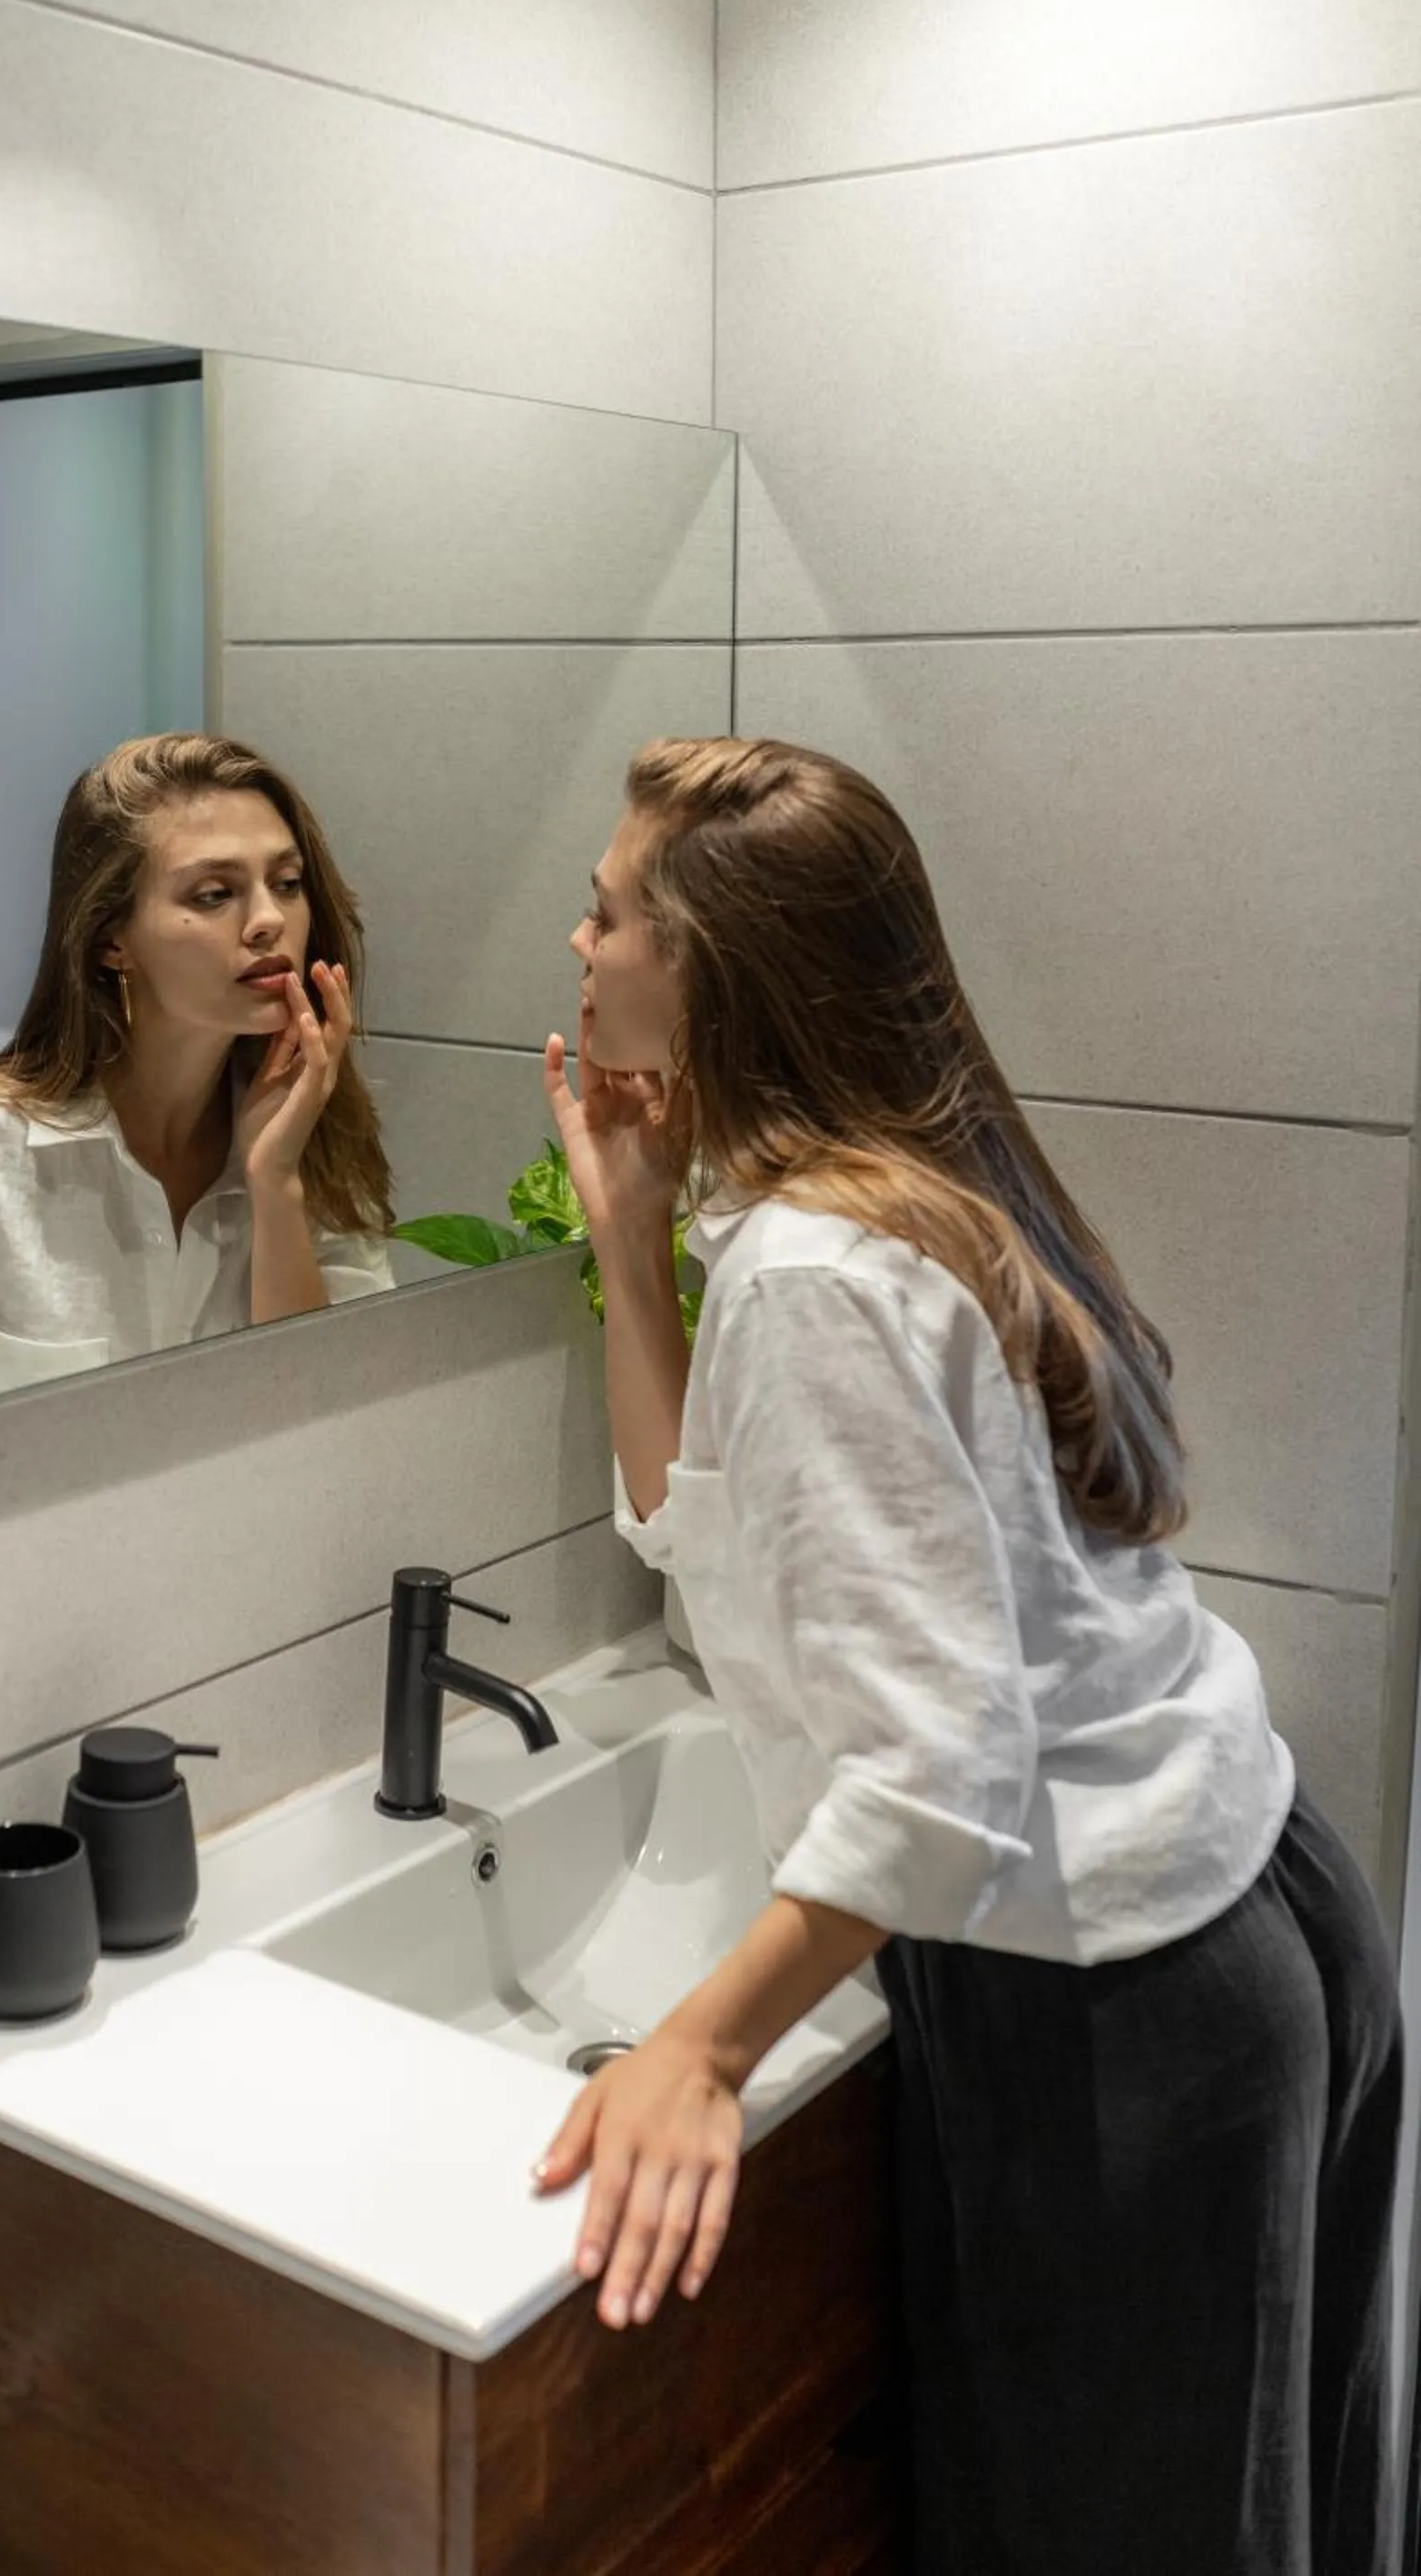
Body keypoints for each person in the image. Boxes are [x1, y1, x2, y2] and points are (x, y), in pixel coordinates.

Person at [531, 736, 1400, 2574]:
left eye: (611, 909)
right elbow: (723, 1540)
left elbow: (932, 1783)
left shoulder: (811, 1275)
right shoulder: (895, 1185)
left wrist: (693, 2047)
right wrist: (627, 1246)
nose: (578, 934)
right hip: (1259, 1914)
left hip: (1121, 2015)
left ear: (710, 972)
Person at [0, 733, 394, 1432]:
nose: (270, 920)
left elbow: (327, 1437)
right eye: (214, 894)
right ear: (109, 939)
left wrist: (275, 1185)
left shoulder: (317, 1157)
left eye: (287, 883)